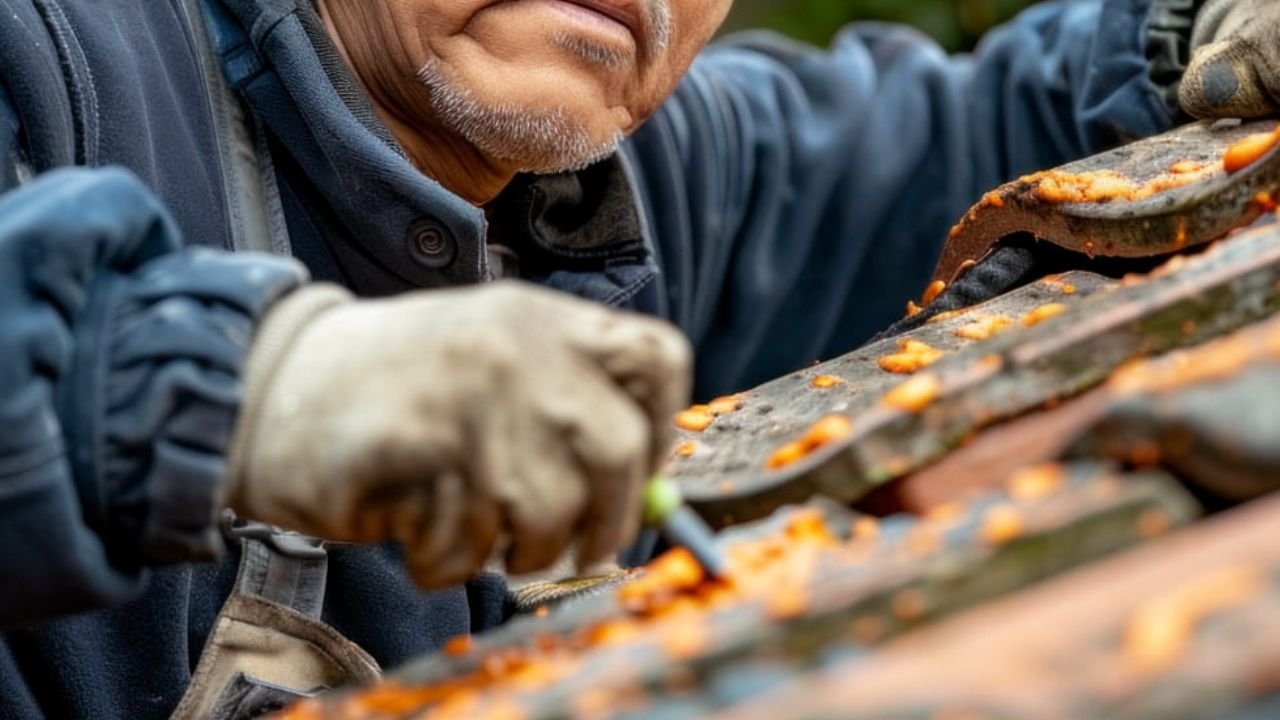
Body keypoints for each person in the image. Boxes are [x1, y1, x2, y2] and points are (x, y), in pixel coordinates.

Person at [0, 0, 1275, 716]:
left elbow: (962, 127)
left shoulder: (609, 191)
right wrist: (245, 389)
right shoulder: (55, 65)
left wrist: (1174, 34)